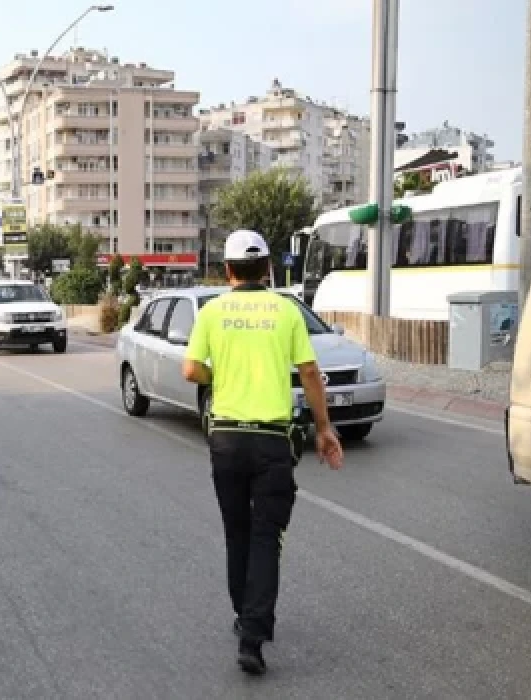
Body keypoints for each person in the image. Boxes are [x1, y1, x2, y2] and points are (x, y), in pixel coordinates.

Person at [181, 229, 344, 676]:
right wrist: (324, 429)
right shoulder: (286, 310)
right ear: (269, 268)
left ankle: (243, 615)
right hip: (273, 441)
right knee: (265, 538)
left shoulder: (213, 313)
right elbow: (309, 371)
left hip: (227, 441)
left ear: (228, 269)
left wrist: (223, 372)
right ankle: (253, 636)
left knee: (237, 531)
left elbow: (191, 369)